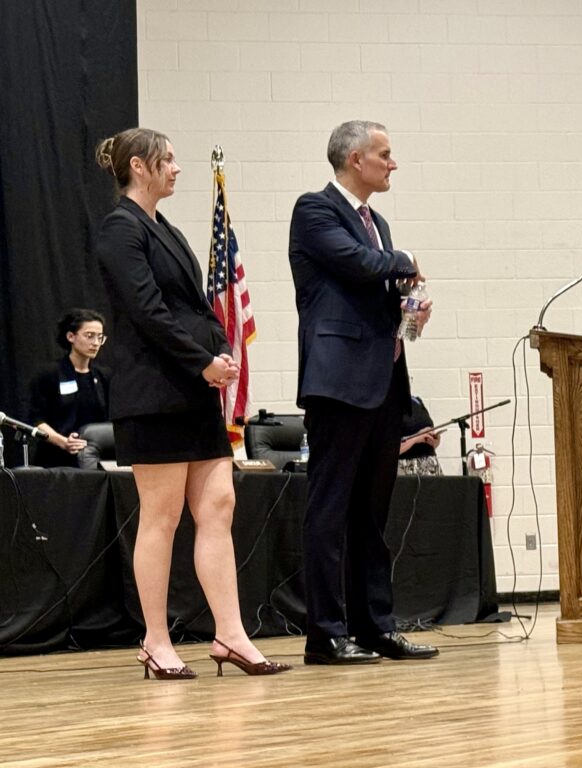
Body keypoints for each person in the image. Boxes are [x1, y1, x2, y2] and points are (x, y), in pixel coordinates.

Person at [94, 127, 289, 679]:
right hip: (153, 394)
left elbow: (200, 306)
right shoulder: (119, 229)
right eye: (169, 160)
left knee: (218, 506)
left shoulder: (170, 231)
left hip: (195, 392)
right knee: (160, 516)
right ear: (139, 166)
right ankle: (155, 640)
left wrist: (223, 349)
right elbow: (146, 311)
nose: (178, 168)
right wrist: (199, 361)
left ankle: (230, 635)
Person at [289, 120, 439, 664]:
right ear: (356, 159)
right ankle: (325, 634)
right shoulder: (316, 210)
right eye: (385, 154)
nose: (392, 163)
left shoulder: (380, 224)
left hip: (382, 382)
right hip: (339, 382)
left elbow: (376, 285)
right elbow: (356, 264)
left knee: (372, 516)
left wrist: (408, 307)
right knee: (330, 511)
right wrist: (405, 266)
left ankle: (375, 626)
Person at [28, 309, 110, 467]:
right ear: (71, 336)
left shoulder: (103, 377)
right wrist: (63, 442)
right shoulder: (49, 374)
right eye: (89, 336)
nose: (95, 343)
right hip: (56, 459)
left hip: (94, 459)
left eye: (100, 337)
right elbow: (37, 420)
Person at [398, 395, 443, 476]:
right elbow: (388, 450)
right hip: (405, 467)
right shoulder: (387, 405)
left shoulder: (417, 400)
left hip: (430, 465)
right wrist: (416, 437)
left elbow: (431, 445)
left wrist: (434, 441)